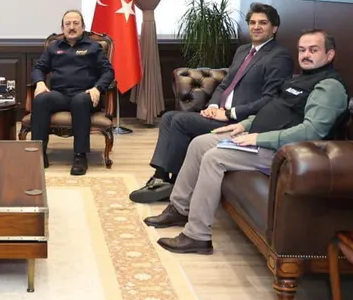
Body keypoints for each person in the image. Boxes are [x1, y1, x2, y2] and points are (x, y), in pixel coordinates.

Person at [144, 29, 349, 255]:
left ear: (330, 55)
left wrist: (259, 138)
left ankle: (197, 236)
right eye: (302, 50)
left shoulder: (329, 86)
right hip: (257, 137)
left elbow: (311, 132)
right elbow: (274, 110)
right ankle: (179, 208)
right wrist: (244, 125)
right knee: (200, 144)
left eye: (313, 50)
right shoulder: (299, 78)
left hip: (283, 153)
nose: (306, 55)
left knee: (214, 158)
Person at [129, 2, 293, 203]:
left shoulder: (279, 56)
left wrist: (231, 113)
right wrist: (213, 106)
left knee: (178, 121)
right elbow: (225, 84)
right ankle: (164, 179)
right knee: (169, 118)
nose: (256, 27)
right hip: (221, 114)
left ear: (274, 28)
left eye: (263, 23)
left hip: (240, 122)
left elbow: (270, 100)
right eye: (252, 22)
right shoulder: (243, 50)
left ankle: (168, 181)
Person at [30, 9, 115, 175]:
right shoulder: (54, 47)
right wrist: (39, 82)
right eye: (67, 24)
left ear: (82, 27)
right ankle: (38, 154)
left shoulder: (93, 47)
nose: (71, 27)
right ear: (62, 28)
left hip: (86, 95)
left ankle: (80, 156)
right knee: (41, 100)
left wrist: (97, 88)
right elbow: (38, 68)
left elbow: (108, 72)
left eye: (76, 23)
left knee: (79, 101)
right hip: (60, 94)